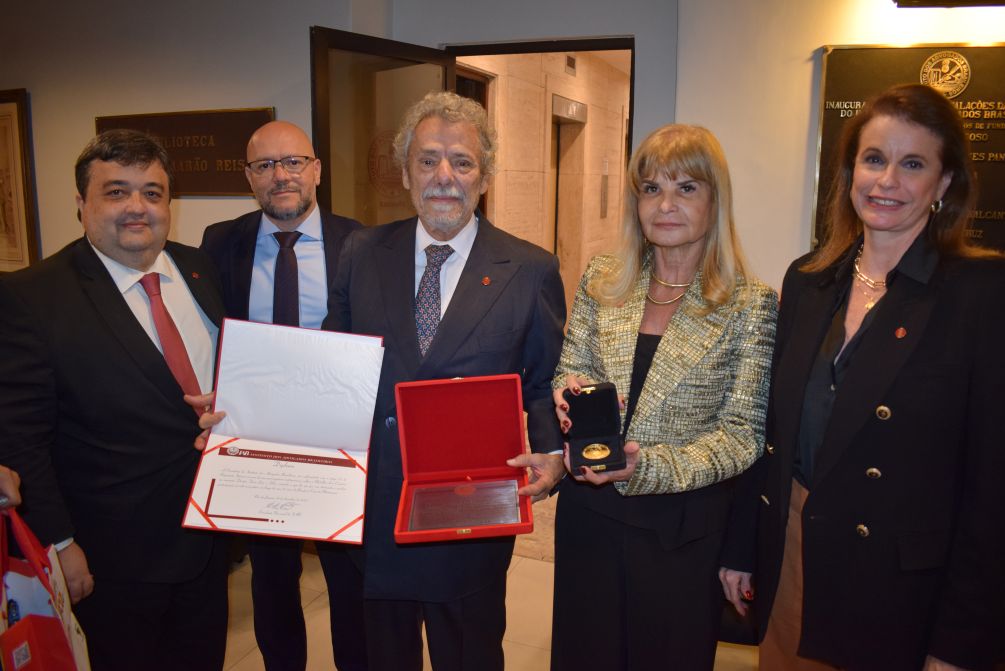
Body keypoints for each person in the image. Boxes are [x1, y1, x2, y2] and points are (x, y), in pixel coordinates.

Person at [719, 83, 1005, 671]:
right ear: (851, 171)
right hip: (793, 554)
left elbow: (993, 490)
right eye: (874, 159)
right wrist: (742, 547)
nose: (887, 181)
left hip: (900, 589)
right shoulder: (808, 279)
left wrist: (960, 642)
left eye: (913, 164)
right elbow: (770, 432)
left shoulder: (980, 294)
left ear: (944, 184)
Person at [322, 91, 566, 670]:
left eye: (462, 162)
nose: (444, 177)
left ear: (485, 177)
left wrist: (554, 454)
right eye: (428, 160)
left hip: (472, 513)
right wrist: (250, 413)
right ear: (406, 172)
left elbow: (542, 381)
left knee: (470, 657)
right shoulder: (362, 251)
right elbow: (333, 368)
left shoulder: (529, 268)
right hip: (379, 508)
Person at [549, 123, 777, 670]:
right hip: (590, 517)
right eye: (651, 188)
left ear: (715, 201)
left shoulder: (750, 304)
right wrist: (567, 391)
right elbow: (572, 363)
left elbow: (742, 435)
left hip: (680, 531)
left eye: (686, 188)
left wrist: (646, 467)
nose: (666, 205)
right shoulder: (604, 277)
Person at [0, 129, 228, 670]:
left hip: (208, 537)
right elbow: (21, 436)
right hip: (113, 557)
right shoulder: (32, 296)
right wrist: (60, 543)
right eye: (116, 191)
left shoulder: (198, 268)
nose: (137, 207)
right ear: (82, 203)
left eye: (152, 193)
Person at [200, 120, 364, 671]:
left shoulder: (360, 243)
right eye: (265, 165)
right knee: (271, 582)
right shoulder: (220, 242)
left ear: (316, 169)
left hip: (337, 439)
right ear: (249, 177)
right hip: (257, 440)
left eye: (293, 162)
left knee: (349, 580)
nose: (281, 176)